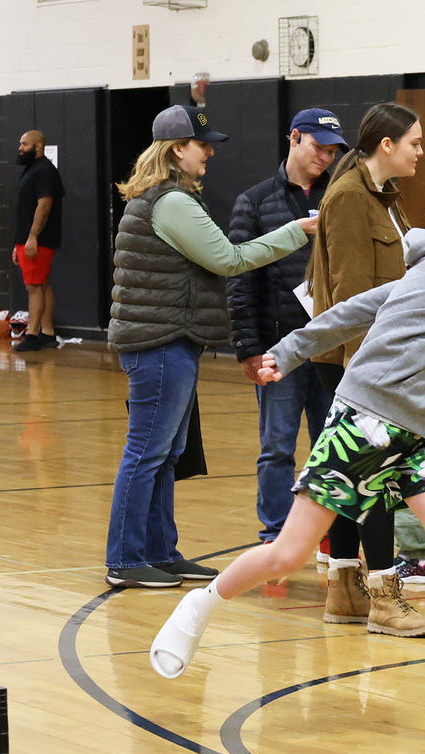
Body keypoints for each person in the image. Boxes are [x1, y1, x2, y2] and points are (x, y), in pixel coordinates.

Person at [150, 168, 425, 746]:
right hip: (362, 423)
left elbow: (352, 309)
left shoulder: (424, 270)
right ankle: (201, 603)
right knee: (287, 553)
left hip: (418, 438)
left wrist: (286, 352)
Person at [105, 104, 318, 588]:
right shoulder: (172, 202)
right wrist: (295, 232)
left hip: (165, 340)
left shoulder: (161, 198)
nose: (209, 155)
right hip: (160, 342)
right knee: (147, 451)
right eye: (203, 146)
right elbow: (229, 259)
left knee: (164, 452)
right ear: (178, 149)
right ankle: (125, 559)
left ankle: (159, 552)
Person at [306, 101, 425, 635]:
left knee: (352, 477)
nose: (420, 152)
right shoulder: (348, 198)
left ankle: (344, 590)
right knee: (373, 478)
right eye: (415, 143)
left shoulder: (384, 197)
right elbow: (352, 298)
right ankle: (383, 596)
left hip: (372, 362)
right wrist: (375, 372)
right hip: (355, 363)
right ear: (387, 145)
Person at [227, 108, 346, 543]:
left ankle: (330, 531)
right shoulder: (254, 202)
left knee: (330, 443)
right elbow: (240, 279)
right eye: (319, 147)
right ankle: (276, 536)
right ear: (294, 138)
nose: (326, 157)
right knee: (277, 447)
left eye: (333, 151)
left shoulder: (342, 195)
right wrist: (247, 347)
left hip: (334, 347)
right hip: (279, 348)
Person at [12, 130, 65, 352]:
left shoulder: (44, 170)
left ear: (38, 146)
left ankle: (32, 335)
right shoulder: (32, 169)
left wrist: (32, 236)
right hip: (27, 240)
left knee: (33, 287)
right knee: (42, 284)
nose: (20, 148)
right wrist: (19, 242)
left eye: (25, 144)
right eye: (20, 143)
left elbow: (44, 205)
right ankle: (48, 332)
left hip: (38, 240)